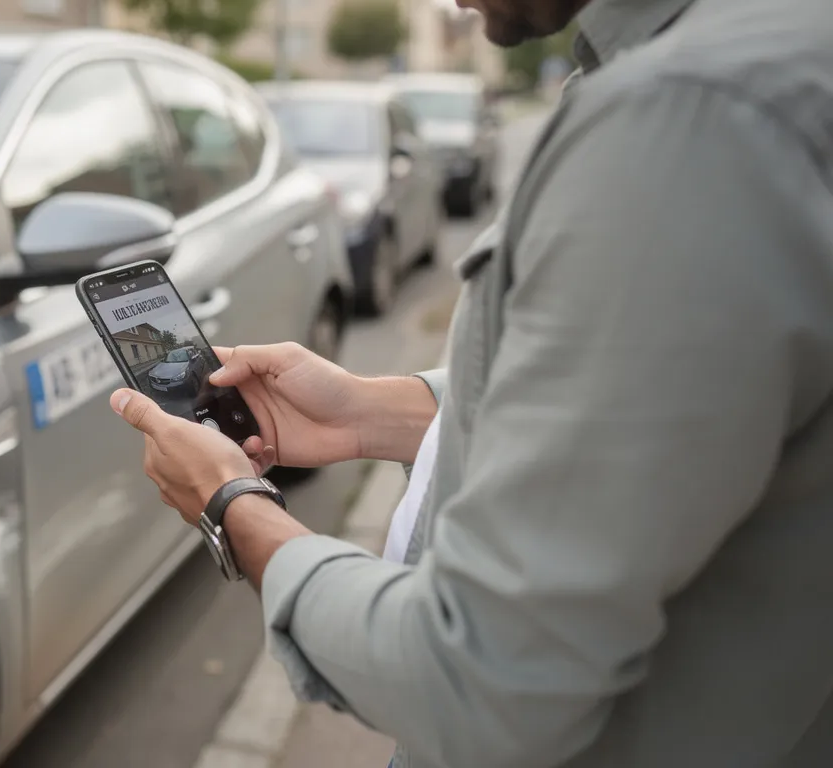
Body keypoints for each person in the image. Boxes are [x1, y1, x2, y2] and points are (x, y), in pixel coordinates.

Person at [108, 0, 833, 765]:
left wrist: (235, 508)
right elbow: (676, 418)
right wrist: (374, 412)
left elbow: (483, 672)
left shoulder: (681, 118)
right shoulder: (768, 52)